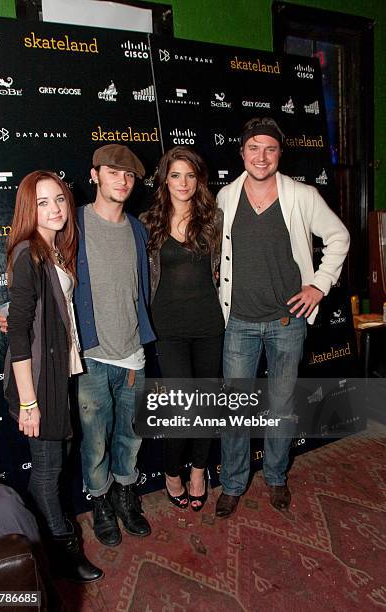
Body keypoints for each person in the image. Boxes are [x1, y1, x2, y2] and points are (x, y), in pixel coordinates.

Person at [215, 117, 350, 516]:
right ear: (242, 153)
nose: (261, 156)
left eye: (270, 148)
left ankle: (275, 477)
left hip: (286, 322)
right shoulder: (226, 196)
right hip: (238, 322)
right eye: (253, 148)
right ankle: (233, 483)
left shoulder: (301, 195)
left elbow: (339, 236)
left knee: (280, 405)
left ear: (279, 154)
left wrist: (319, 285)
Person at [3, 171, 103, 582]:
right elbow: (22, 335)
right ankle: (63, 552)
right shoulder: (30, 253)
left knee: (55, 465)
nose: (55, 209)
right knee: (47, 472)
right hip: (38, 381)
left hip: (58, 374)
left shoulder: (54, 251)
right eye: (43, 202)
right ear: (30, 208)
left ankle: (34, 543)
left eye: (59, 199)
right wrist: (29, 402)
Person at [74, 145, 155, 545]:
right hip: (90, 357)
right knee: (95, 441)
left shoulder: (138, 229)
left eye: (129, 176)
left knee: (132, 434)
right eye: (113, 172)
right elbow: (42, 269)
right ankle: (101, 501)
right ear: (94, 175)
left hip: (133, 354)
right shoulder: (72, 223)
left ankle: (125, 492)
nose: (122, 181)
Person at [141, 146, 224, 511]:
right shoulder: (148, 222)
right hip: (168, 329)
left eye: (190, 175)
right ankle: (171, 471)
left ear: (199, 179)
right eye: (175, 175)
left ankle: (197, 471)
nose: (183, 182)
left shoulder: (215, 219)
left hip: (210, 324)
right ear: (164, 180)